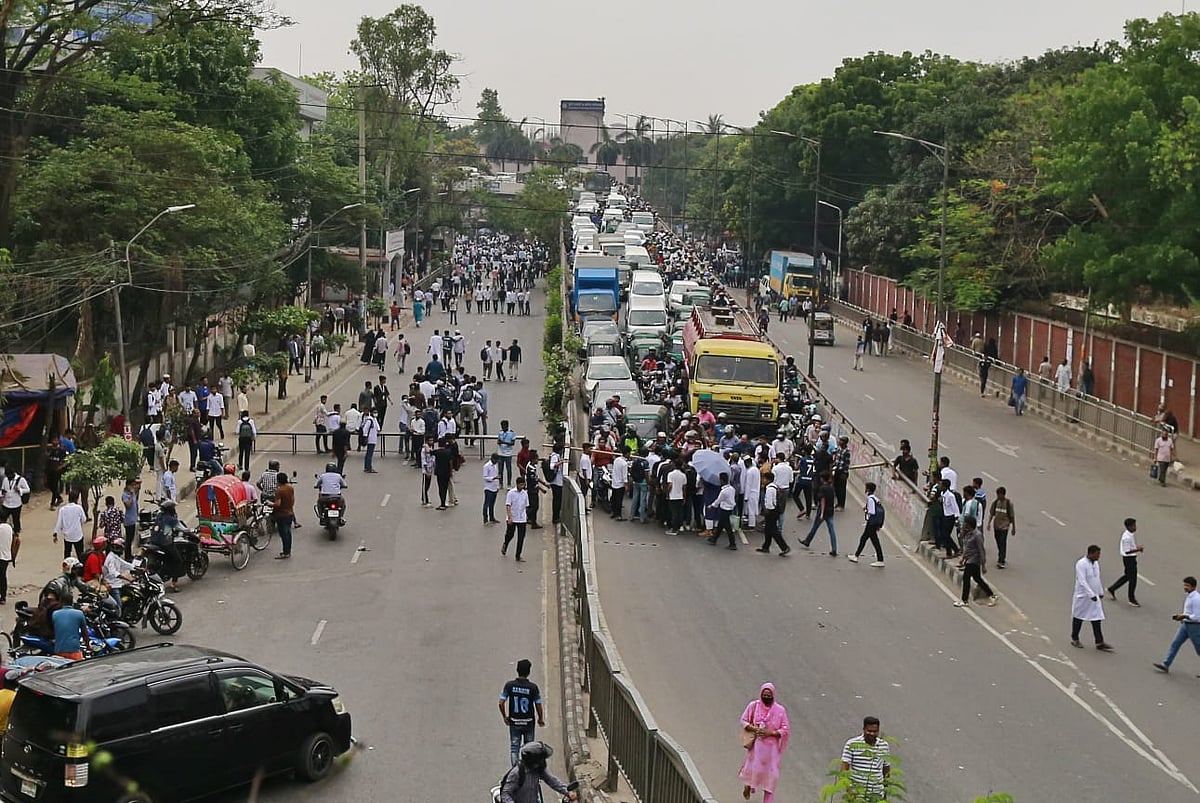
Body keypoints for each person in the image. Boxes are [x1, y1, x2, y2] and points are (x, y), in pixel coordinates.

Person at [739, 682, 790, 803]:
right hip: (756, 750)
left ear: (773, 696)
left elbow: (785, 729)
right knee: (753, 773)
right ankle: (748, 786)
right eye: (764, 695)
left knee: (771, 780)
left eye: (769, 695)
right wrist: (755, 729)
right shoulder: (754, 706)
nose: (766, 697)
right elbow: (743, 720)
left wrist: (771, 733)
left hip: (771, 753)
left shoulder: (780, 710)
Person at [499, 658, 545, 766]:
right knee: (529, 748)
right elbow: (538, 704)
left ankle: (515, 770)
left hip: (514, 722)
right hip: (528, 722)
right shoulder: (533, 688)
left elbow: (501, 703)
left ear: (517, 670)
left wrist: (505, 716)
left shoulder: (509, 685)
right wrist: (540, 718)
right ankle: (528, 769)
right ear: (529, 672)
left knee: (514, 748)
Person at [497, 741, 576, 803]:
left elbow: (551, 780)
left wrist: (567, 792)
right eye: (540, 759)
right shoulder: (516, 773)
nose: (542, 762)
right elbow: (506, 794)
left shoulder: (538, 769)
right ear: (533, 761)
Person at [1153, 576, 1200, 674]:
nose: (1185, 587)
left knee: (1198, 647)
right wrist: (1182, 617)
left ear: (1193, 587)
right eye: (1185, 585)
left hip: (1194, 627)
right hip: (1185, 625)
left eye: (1187, 585)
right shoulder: (1189, 595)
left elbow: (1197, 617)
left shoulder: (1196, 599)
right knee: (1175, 643)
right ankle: (1166, 664)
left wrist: (1184, 616)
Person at [1072, 545, 1113, 651]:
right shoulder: (1081, 564)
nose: (1099, 556)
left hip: (1094, 596)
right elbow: (1082, 581)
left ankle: (1099, 642)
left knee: (1096, 618)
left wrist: (1100, 591)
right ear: (1091, 553)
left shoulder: (1095, 564)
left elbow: (1097, 578)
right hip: (1083, 596)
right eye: (1097, 554)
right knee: (1079, 617)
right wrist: (1090, 594)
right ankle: (1075, 638)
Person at [840, 716, 891, 800]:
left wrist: (885, 793)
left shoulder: (884, 745)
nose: (872, 734)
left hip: (877, 795)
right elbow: (844, 771)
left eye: (875, 731)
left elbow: (886, 771)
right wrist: (850, 793)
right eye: (869, 731)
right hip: (857, 795)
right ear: (863, 729)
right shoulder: (852, 744)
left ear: (878, 731)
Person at [954, 515, 997, 607]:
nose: (963, 524)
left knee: (966, 578)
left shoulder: (977, 535)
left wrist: (983, 564)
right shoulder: (966, 533)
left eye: (965, 523)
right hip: (969, 559)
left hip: (974, 560)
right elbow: (967, 548)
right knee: (977, 578)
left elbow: (981, 550)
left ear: (969, 525)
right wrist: (963, 558)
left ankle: (964, 600)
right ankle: (991, 595)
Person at [1106, 517, 1143, 607]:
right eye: (1134, 525)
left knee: (1127, 576)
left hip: (1130, 558)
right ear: (1129, 526)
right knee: (1133, 579)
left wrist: (1136, 548)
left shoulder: (1130, 535)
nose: (1135, 527)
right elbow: (1127, 551)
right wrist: (1138, 549)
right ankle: (1131, 599)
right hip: (1129, 559)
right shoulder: (1127, 537)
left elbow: (1129, 547)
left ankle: (1112, 588)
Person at [800, 472, 837, 556]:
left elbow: (823, 501)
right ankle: (834, 548)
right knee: (832, 530)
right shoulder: (831, 488)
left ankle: (807, 541)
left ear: (822, 479)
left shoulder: (822, 488)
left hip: (823, 511)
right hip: (830, 510)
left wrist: (822, 513)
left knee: (815, 527)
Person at [849, 482, 885, 567]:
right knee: (868, 539)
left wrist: (865, 510)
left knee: (869, 540)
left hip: (871, 523)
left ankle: (879, 560)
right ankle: (856, 555)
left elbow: (872, 512)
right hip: (875, 523)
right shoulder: (876, 498)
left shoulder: (870, 499)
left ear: (868, 489)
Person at [756, 470, 789, 555]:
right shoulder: (774, 487)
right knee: (768, 530)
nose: (763, 480)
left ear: (768, 479)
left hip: (771, 511)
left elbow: (769, 502)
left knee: (773, 530)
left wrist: (767, 510)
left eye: (764, 479)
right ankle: (766, 547)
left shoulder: (770, 489)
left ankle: (784, 547)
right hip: (774, 511)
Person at [706, 472, 738, 550]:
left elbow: (718, 500)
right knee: (720, 525)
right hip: (729, 508)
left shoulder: (723, 491)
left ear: (722, 480)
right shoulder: (732, 489)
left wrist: (711, 506)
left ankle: (732, 543)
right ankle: (714, 539)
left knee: (727, 527)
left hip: (724, 509)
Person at [50, 594, 87, 661]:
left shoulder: (55, 614)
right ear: (72, 602)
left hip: (59, 651)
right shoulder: (79, 613)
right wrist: (88, 646)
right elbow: (84, 633)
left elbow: (54, 630)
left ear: (61, 602)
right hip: (74, 650)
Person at [502, 476, 530, 562]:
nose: (522, 486)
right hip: (513, 517)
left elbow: (526, 505)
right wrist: (510, 517)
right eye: (521, 485)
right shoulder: (511, 493)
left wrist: (526, 516)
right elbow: (508, 505)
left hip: (522, 518)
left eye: (523, 485)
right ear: (517, 484)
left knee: (521, 537)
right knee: (510, 534)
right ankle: (505, 544)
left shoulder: (525, 494)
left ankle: (518, 555)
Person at [986, 486, 1016, 568]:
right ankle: (1001, 554)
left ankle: (1001, 560)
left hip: (1004, 526)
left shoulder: (1008, 504)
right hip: (996, 526)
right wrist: (989, 523)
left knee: (1003, 542)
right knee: (998, 541)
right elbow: (992, 513)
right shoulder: (995, 503)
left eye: (999, 494)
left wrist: (1013, 527)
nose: (998, 496)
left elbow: (1012, 516)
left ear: (1003, 494)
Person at [52, 491, 87, 560]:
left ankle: (66, 565)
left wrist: (55, 533)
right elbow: (84, 519)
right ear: (76, 499)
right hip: (77, 535)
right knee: (80, 554)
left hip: (67, 536)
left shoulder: (62, 509)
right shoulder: (79, 508)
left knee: (67, 554)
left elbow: (59, 522)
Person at [273, 473, 295, 560]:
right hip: (289, 513)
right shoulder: (290, 488)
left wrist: (270, 504)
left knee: (283, 534)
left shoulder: (279, 490)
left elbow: (278, 504)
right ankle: (288, 551)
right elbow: (293, 499)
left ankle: (286, 552)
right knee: (288, 533)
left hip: (282, 514)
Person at [483, 454, 501, 525]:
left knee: (492, 504)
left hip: (494, 487)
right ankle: (485, 519)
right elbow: (485, 477)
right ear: (493, 459)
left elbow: (497, 475)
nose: (497, 462)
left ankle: (492, 517)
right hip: (488, 488)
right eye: (496, 460)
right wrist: (493, 478)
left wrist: (497, 486)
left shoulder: (495, 466)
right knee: (486, 504)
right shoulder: (486, 466)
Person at [0, 522, 12, 604]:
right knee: (3, 576)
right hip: (6, 556)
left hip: (0, 555)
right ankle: (3, 596)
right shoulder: (9, 527)